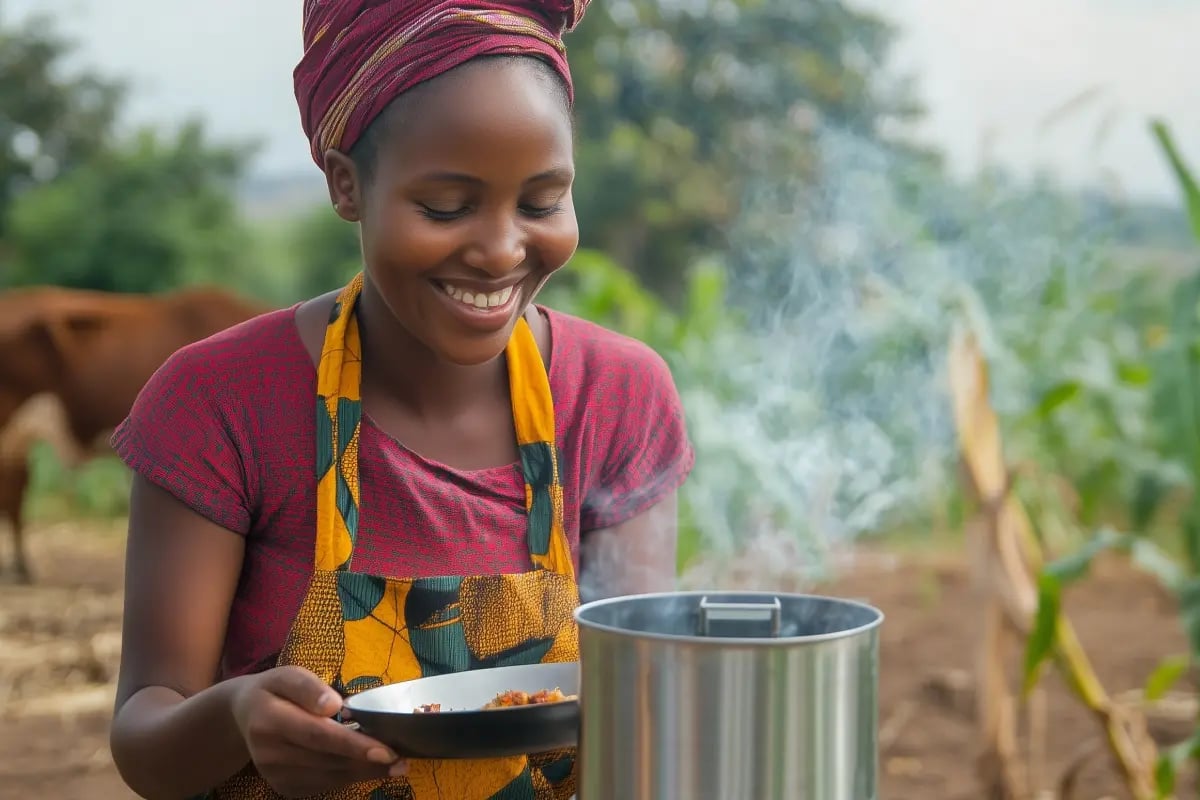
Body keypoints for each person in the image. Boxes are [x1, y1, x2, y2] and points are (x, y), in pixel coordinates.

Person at [106, 1, 694, 799]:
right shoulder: (220, 403)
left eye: (541, 202)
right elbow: (146, 737)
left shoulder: (615, 398)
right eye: (446, 208)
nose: (499, 251)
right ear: (346, 185)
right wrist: (238, 715)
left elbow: (642, 695)